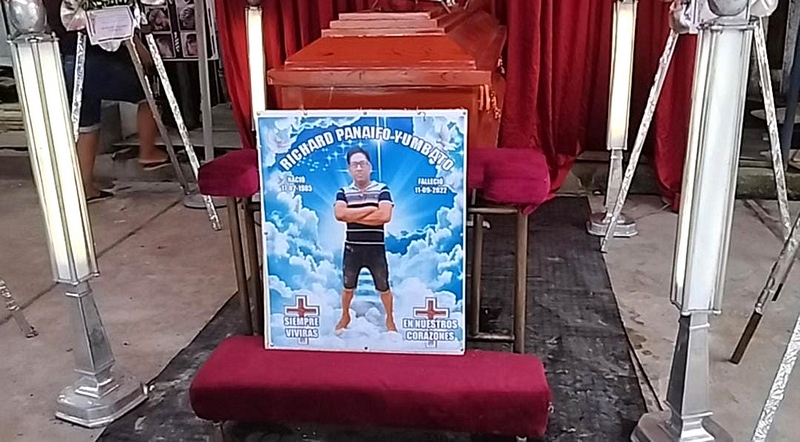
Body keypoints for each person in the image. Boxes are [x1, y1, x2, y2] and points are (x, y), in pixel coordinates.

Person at [44, 0, 170, 203]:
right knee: (149, 94)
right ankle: (148, 152)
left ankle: (84, 186)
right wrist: (141, 52)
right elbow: (116, 22)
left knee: (87, 124)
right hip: (95, 57)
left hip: (65, 58)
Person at [334, 147, 397, 334]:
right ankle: (345, 315)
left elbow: (384, 216)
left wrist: (352, 215)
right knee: (348, 287)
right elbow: (340, 214)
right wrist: (370, 209)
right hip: (352, 249)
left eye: (362, 164)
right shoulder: (343, 192)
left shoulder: (382, 189)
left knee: (383, 286)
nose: (359, 168)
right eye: (355, 164)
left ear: (370, 167)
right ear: (349, 169)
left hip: (376, 249)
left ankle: (390, 318)